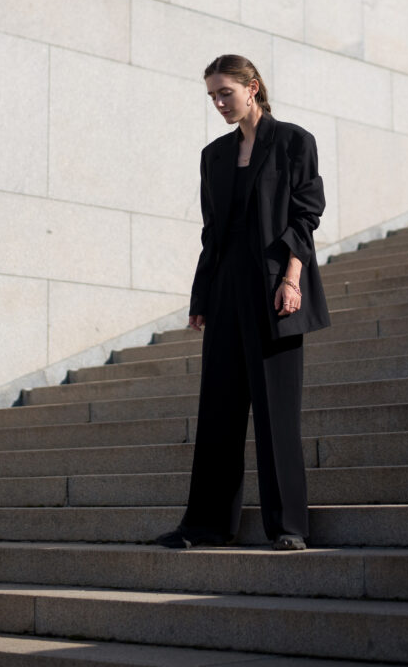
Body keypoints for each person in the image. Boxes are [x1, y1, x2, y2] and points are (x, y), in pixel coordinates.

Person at [154, 54, 331, 551]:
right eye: (211, 95)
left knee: (277, 413)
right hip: (228, 287)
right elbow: (213, 232)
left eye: (224, 92)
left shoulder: (295, 141)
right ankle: (206, 524)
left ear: (252, 87)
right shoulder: (214, 155)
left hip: (276, 289)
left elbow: (306, 215)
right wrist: (202, 295)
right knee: (218, 409)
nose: (217, 103)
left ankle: (288, 526)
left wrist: (292, 279)